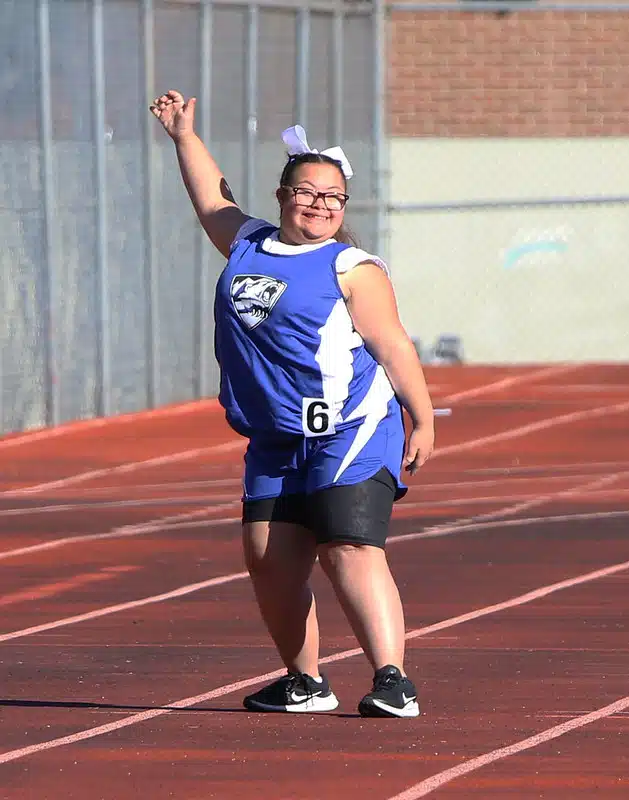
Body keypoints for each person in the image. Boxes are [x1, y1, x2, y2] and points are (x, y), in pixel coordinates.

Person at [150, 90, 435, 718]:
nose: (320, 205)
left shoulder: (352, 267)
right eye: (307, 193)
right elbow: (211, 199)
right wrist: (182, 136)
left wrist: (424, 415)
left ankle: (393, 679)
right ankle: (306, 682)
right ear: (283, 197)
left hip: (351, 427)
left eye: (333, 198)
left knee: (347, 546)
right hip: (276, 438)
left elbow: (393, 344)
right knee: (267, 556)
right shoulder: (248, 243)